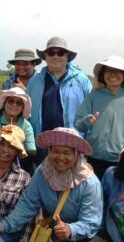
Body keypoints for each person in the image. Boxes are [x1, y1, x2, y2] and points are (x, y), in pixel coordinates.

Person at [0, 127, 103, 242]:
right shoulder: (43, 172)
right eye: (56, 151)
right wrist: (3, 225)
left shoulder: (89, 183)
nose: (61, 157)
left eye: (67, 153)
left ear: (76, 155)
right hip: (49, 233)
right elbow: (27, 204)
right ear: (49, 151)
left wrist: (70, 230)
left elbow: (91, 223)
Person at [75, 55, 124, 178]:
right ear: (103, 75)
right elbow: (78, 124)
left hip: (121, 160)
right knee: (95, 194)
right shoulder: (94, 96)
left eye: (117, 71)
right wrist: (87, 121)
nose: (112, 74)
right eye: (108, 71)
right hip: (94, 157)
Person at [26, 36, 92, 164]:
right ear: (45, 56)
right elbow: (26, 112)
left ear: (67, 56)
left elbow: (92, 108)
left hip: (72, 144)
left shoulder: (81, 80)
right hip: (43, 144)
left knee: (71, 181)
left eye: (60, 53)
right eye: (51, 53)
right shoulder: (35, 80)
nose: (56, 56)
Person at [0, 87, 36, 174]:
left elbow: (32, 152)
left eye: (19, 103)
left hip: (17, 161)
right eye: (11, 101)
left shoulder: (26, 125)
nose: (14, 105)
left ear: (23, 107)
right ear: (4, 103)